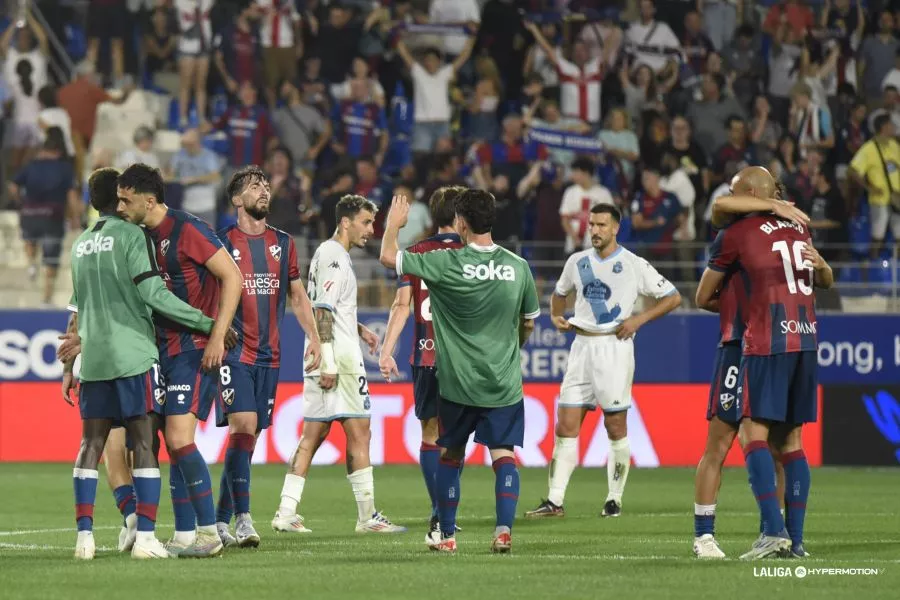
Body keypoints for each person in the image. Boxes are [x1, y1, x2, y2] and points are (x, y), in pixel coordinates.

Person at [62, 167, 219, 560]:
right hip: (134, 355)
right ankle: (146, 538)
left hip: (94, 360)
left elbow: (77, 310)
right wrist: (206, 322)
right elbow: (154, 294)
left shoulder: (79, 245)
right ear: (118, 198)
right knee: (145, 443)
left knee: (91, 444)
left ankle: (85, 538)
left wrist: (70, 365)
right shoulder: (133, 236)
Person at [380, 190, 542, 554]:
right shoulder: (518, 266)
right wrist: (512, 347)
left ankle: (447, 535)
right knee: (503, 455)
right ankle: (502, 532)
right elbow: (528, 323)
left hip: (456, 383)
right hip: (503, 382)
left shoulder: (446, 262)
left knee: (450, 454)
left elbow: (389, 257)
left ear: (461, 223)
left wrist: (394, 225)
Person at [696, 166, 834, 559]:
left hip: (763, 340)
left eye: (737, 189)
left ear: (752, 193)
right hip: (805, 339)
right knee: (791, 442)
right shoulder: (799, 228)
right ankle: (796, 540)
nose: (729, 197)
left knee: (748, 436)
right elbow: (824, 278)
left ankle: (770, 532)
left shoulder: (737, 233)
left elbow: (702, 296)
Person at [115, 163, 243, 558]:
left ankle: (209, 533)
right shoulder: (139, 236)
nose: (120, 207)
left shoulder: (188, 229)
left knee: (179, 438)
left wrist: (217, 336)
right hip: (159, 350)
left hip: (196, 347)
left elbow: (233, 277)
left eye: (126, 199)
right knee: (164, 443)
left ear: (149, 201)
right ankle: (186, 534)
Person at [525, 204, 681, 520]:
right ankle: (555, 501)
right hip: (581, 347)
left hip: (614, 347)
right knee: (565, 425)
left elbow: (673, 297)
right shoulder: (576, 262)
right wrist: (556, 316)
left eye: (601, 225)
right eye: (592, 224)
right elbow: (559, 294)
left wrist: (639, 320)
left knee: (615, 425)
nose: (595, 230)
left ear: (615, 229)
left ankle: (614, 499)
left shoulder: (633, 264)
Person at [273, 195, 405, 534]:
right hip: (338, 359)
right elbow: (322, 312)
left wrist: (360, 330)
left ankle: (286, 512)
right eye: (365, 222)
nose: (370, 230)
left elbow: (329, 305)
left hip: (321, 353)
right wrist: (330, 362)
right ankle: (367, 517)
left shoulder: (328, 254)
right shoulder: (334, 255)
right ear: (345, 222)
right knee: (360, 432)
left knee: (312, 435)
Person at [213, 166, 322, 548]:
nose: (262, 190)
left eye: (264, 185)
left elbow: (297, 296)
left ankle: (220, 520)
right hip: (233, 352)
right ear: (236, 200)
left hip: (270, 356)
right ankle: (244, 519)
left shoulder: (285, 243)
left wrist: (316, 340)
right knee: (243, 425)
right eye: (252, 186)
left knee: (248, 438)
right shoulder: (221, 242)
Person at [378, 186, 465, 545]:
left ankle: (438, 512)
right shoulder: (473, 255)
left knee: (430, 437)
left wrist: (386, 350)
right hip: (463, 362)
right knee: (456, 441)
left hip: (425, 356)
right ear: (461, 218)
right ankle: (447, 516)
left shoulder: (415, 253)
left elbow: (402, 306)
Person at [8, 128, 80, 306]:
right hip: (52, 216)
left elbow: (13, 186)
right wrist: (75, 218)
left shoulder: (31, 165)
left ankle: (32, 263)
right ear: (58, 151)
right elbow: (71, 195)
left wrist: (20, 202)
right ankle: (46, 298)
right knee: (51, 259)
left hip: (30, 212)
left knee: (29, 239)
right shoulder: (64, 168)